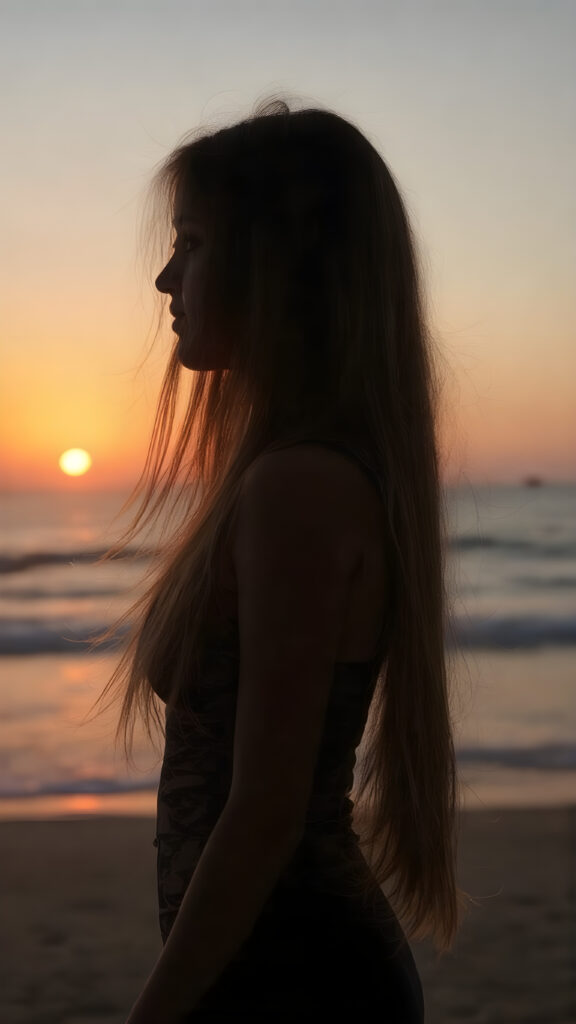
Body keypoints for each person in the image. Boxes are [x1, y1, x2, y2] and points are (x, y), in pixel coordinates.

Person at [87, 94, 471, 1022]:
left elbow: (264, 815)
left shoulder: (297, 486)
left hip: (296, 977)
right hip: (275, 963)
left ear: (280, 266)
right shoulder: (297, 473)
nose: (166, 278)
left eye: (193, 242)